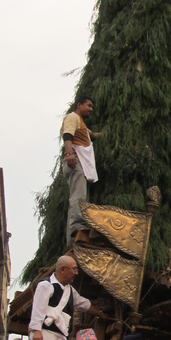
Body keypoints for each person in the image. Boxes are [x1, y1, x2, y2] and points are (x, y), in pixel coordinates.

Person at [29, 256, 107, 340]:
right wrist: (36, 331)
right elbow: (38, 309)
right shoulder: (45, 285)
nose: (76, 273)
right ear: (63, 269)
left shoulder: (70, 290)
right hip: (46, 334)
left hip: (62, 337)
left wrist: (100, 314)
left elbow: (83, 304)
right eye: (74, 269)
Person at [62, 96, 103, 244]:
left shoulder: (82, 125)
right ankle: (76, 228)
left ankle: (75, 231)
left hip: (79, 163)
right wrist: (69, 153)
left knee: (80, 195)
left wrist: (107, 133)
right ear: (79, 105)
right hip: (75, 161)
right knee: (78, 196)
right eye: (89, 106)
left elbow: (90, 136)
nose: (91, 109)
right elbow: (67, 135)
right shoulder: (72, 117)